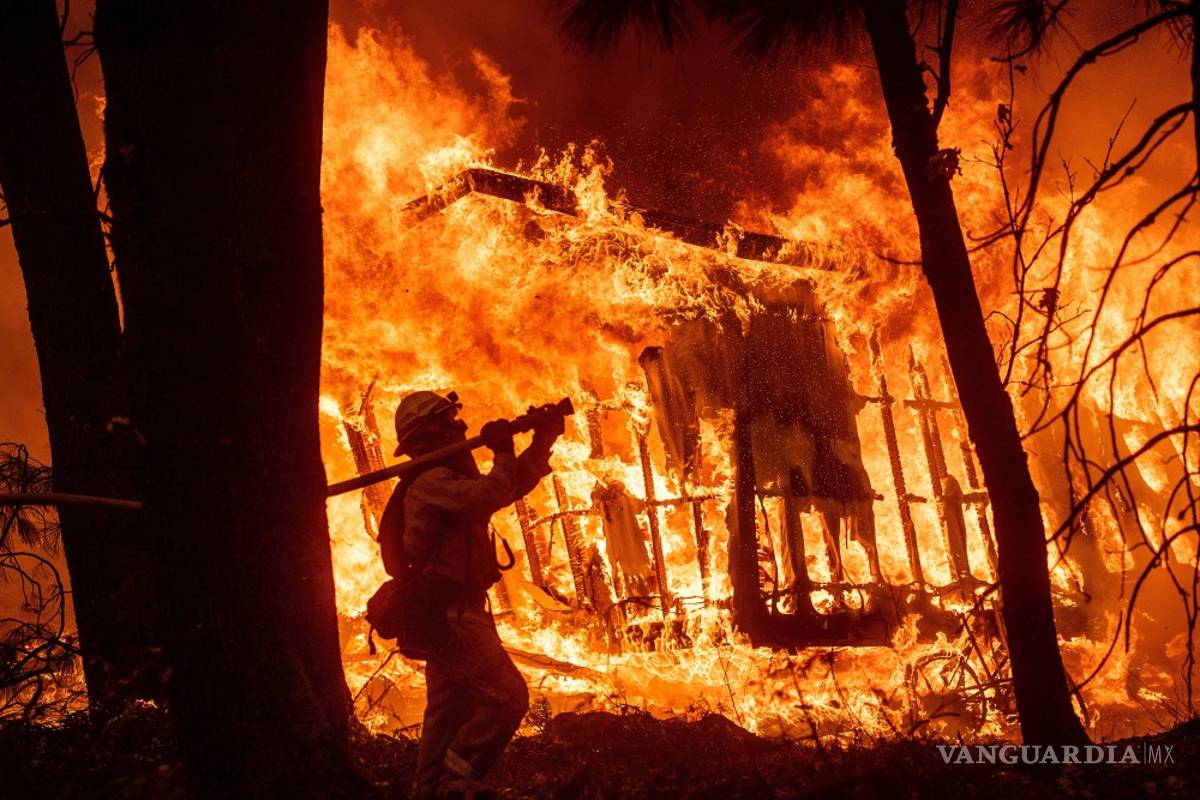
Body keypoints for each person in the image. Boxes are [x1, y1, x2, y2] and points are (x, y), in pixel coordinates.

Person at [377, 390, 564, 799]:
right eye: (449, 421)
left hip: (449, 614)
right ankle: (453, 778)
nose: (461, 426)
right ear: (429, 433)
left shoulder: (445, 480)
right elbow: (489, 494)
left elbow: (506, 487)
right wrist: (502, 450)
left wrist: (541, 442)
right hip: (453, 617)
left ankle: (427, 788)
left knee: (447, 711)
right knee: (509, 699)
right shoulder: (431, 482)